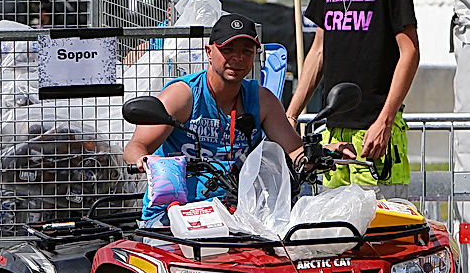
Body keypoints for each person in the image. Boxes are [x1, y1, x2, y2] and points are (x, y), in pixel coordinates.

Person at [125, 13, 352, 223]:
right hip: (177, 214)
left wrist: (323, 151)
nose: (237, 58)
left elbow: (295, 152)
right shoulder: (183, 95)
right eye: (228, 49)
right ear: (209, 51)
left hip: (242, 213)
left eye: (246, 51)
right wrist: (146, 161)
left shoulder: (262, 99)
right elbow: (135, 146)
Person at [285, 0, 419, 188]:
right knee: (334, 228)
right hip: (334, 130)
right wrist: (290, 116)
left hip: (374, 126)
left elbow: (409, 52)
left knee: (378, 225)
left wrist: (384, 121)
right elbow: (318, 50)